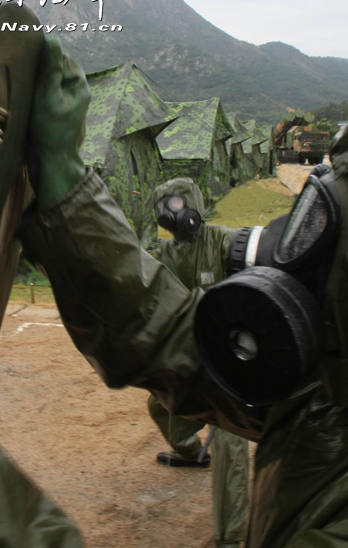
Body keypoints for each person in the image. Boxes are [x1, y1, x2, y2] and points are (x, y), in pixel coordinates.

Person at [18, 37, 348, 548]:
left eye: (323, 226)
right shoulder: (329, 398)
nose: (302, 247)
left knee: (230, 450)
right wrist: (62, 184)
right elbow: (172, 337)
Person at [148, 177, 249, 547]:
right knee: (158, 403)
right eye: (163, 209)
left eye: (174, 205)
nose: (169, 215)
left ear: (192, 203)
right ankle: (190, 452)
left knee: (230, 434)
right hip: (192, 355)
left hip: (230, 358)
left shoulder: (222, 241)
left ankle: (233, 535)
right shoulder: (168, 255)